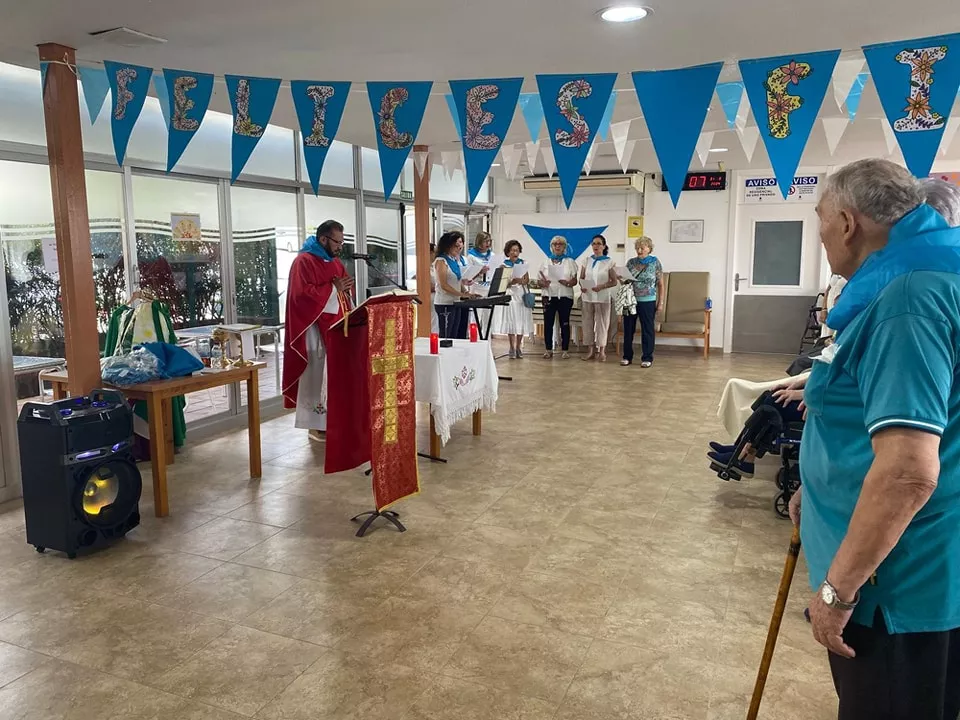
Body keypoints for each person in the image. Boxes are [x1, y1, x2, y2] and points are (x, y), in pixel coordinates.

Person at [787, 159, 960, 719]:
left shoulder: (906, 299)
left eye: (818, 219)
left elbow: (908, 471)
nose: (819, 233)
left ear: (846, 221)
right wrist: (815, 487)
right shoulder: (933, 270)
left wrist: (837, 593)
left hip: (899, 583)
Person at [282, 220, 354, 442]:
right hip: (312, 330)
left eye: (342, 242)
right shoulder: (302, 261)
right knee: (316, 374)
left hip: (335, 327)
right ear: (323, 238)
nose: (340, 247)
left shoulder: (334, 262)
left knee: (333, 375)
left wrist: (347, 297)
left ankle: (334, 419)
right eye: (337, 242)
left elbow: (343, 292)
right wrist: (334, 288)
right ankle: (315, 424)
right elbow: (301, 296)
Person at [622, 236, 664, 367]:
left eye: (642, 247)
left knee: (647, 330)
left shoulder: (655, 262)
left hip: (648, 300)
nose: (639, 250)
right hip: (631, 300)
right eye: (637, 248)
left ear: (649, 248)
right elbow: (625, 282)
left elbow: (661, 284)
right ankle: (627, 356)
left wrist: (660, 302)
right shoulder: (631, 262)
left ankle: (647, 357)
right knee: (628, 329)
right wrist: (620, 278)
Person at [580, 234, 618, 362]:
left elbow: (614, 281)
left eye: (598, 243)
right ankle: (590, 350)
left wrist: (602, 286)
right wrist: (582, 286)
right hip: (588, 296)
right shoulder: (587, 260)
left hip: (602, 296)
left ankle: (601, 350)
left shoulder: (610, 262)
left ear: (604, 246)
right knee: (587, 323)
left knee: (602, 323)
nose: (596, 246)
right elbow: (582, 278)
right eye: (594, 244)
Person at [538, 235, 578, 359]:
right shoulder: (545, 262)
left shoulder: (570, 262)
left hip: (564, 296)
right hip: (548, 295)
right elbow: (539, 281)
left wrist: (567, 283)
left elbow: (575, 281)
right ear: (551, 247)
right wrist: (543, 283)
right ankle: (548, 349)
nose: (557, 246)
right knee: (548, 323)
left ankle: (565, 350)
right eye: (555, 244)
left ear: (564, 247)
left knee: (564, 323)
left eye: (560, 244)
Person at [433, 230, 475, 339]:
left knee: (455, 335)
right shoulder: (441, 261)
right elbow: (444, 285)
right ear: (448, 245)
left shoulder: (455, 260)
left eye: (461, 244)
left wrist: (466, 291)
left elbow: (458, 280)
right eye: (456, 245)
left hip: (456, 302)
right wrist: (462, 294)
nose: (459, 248)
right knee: (446, 335)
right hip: (445, 303)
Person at [501, 239, 533, 358]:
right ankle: (511, 347)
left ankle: (519, 346)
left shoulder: (523, 263)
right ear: (508, 252)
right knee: (512, 320)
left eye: (517, 250)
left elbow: (526, 279)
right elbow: (502, 283)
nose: (515, 253)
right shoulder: (504, 265)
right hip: (510, 294)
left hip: (521, 294)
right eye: (513, 250)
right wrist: (511, 282)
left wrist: (521, 280)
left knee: (521, 320)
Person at [467, 231, 495, 331]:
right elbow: (468, 276)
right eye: (485, 241)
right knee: (476, 318)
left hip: (489, 288)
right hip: (476, 288)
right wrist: (480, 272)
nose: (488, 243)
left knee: (488, 319)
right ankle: (474, 341)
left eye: (489, 241)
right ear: (479, 242)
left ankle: (487, 343)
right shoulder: (471, 256)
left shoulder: (492, 255)